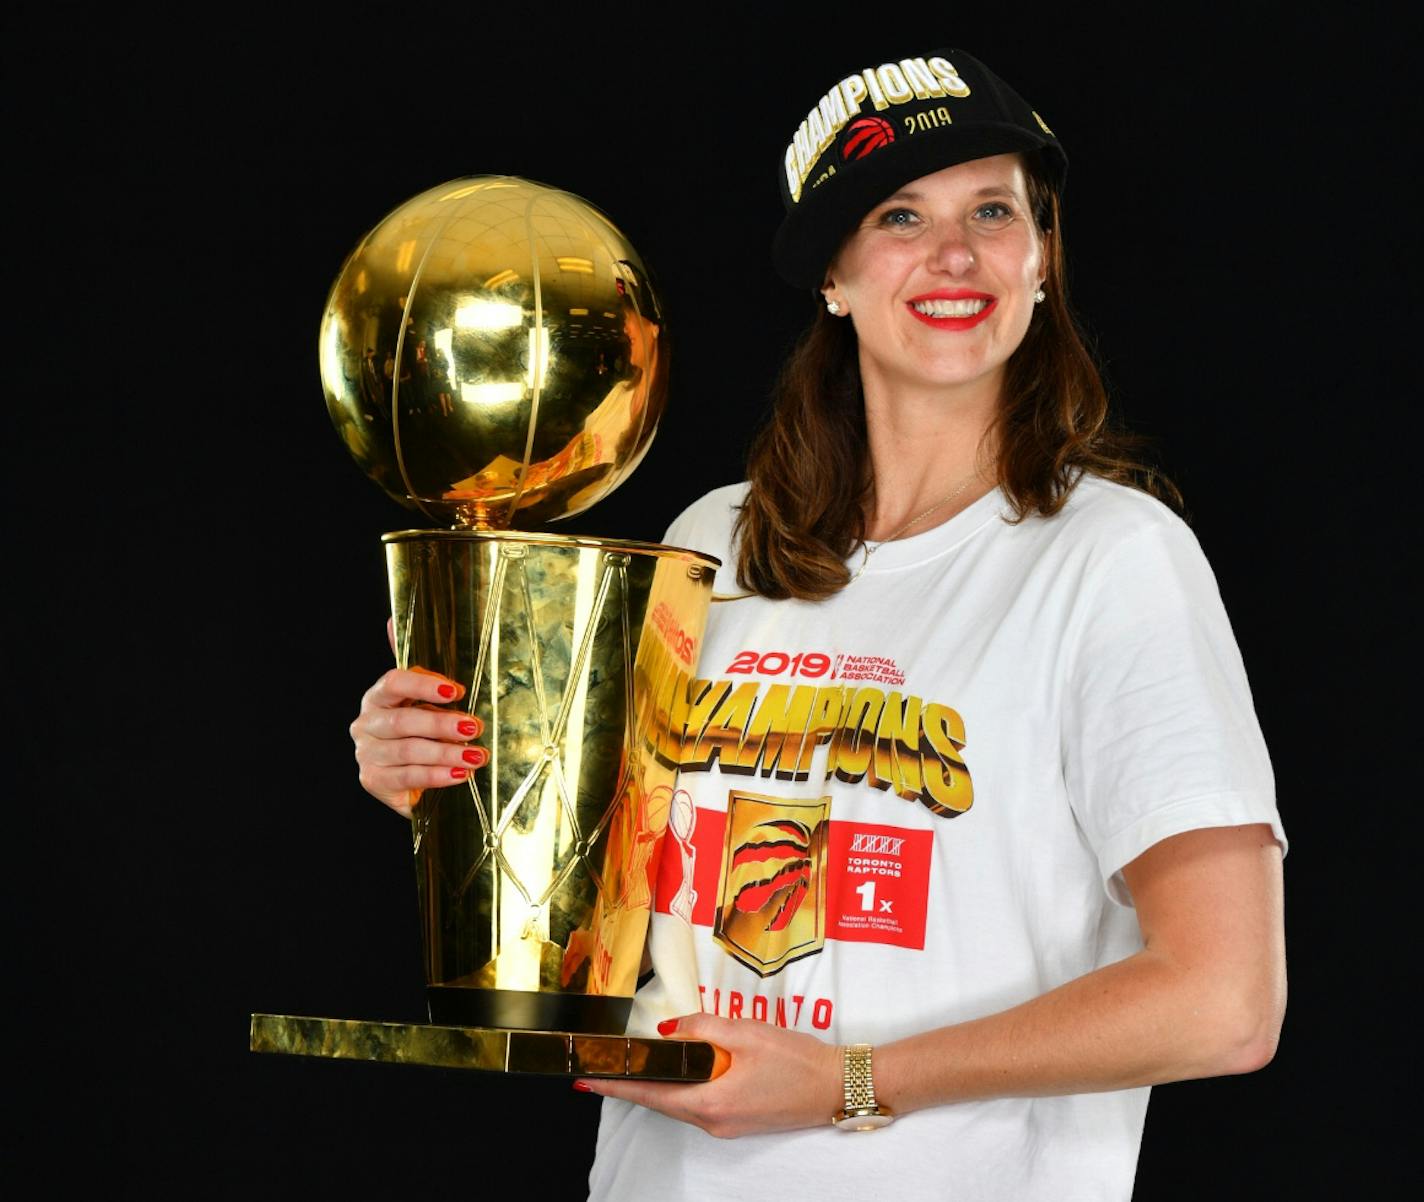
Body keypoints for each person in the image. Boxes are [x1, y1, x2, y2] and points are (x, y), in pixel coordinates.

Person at [349, 46, 1285, 1201]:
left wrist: (852, 1077)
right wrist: (445, 773)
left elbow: (1223, 999)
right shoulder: (716, 540)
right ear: (832, 276)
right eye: (899, 214)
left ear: (1039, 261)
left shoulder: (1112, 559)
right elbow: (598, 893)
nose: (954, 253)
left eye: (993, 209)